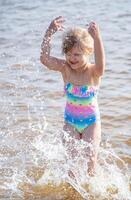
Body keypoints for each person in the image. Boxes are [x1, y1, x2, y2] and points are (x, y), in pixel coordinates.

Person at [40, 16, 105, 176]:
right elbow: (44, 59)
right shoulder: (65, 68)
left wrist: (97, 38)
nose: (71, 58)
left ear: (88, 52)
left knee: (91, 164)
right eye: (68, 54)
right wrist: (49, 33)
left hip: (91, 123)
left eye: (77, 54)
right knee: (72, 167)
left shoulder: (93, 72)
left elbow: (102, 65)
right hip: (70, 123)